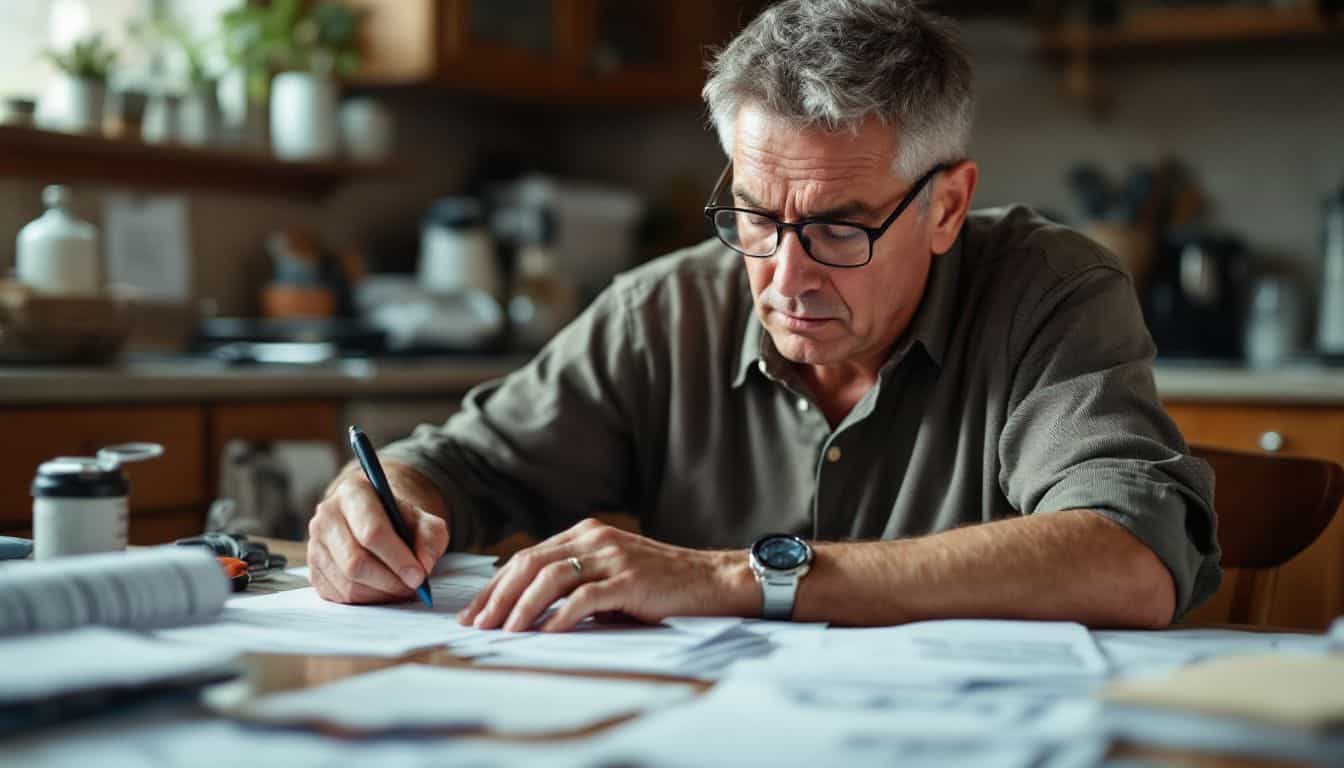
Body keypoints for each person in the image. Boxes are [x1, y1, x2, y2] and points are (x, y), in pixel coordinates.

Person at [308, 0, 1220, 632]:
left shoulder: (1050, 293)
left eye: (835, 226)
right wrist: (380, 505)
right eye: (754, 214)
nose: (784, 276)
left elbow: (1130, 555)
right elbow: (461, 464)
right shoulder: (661, 312)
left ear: (946, 207)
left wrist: (728, 578)